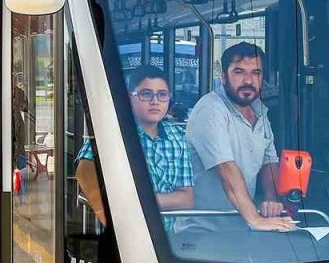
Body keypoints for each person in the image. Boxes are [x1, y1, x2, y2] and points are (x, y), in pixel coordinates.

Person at [185, 43, 295, 232]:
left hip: (240, 227)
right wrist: (255, 219)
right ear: (224, 77)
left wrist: (271, 199)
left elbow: (269, 163)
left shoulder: (259, 109)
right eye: (239, 72)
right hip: (203, 231)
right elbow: (226, 168)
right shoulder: (211, 110)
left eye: (256, 73)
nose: (248, 80)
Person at [76, 66, 194, 225]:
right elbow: (85, 170)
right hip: (122, 234)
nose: (155, 101)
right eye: (146, 94)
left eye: (162, 95)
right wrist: (108, 217)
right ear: (130, 98)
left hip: (165, 238)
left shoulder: (177, 136)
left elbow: (186, 198)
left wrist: (138, 201)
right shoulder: (114, 130)